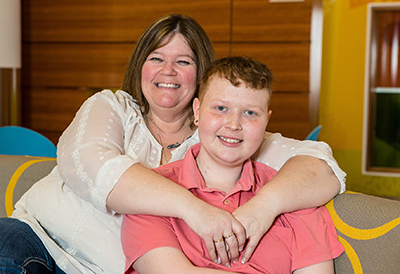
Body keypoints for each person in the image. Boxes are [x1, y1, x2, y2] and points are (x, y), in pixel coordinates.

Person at [0, 14, 345, 274]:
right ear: (140, 66)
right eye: (156, 58)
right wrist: (196, 210)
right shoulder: (114, 107)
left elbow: (320, 165)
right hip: (38, 238)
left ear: (201, 77)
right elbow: (94, 167)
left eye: (183, 61)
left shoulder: (221, 135)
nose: (168, 70)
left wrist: (262, 208)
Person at [121, 56, 345, 274]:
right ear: (197, 111)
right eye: (221, 108)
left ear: (266, 120)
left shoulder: (294, 193)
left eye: (250, 113)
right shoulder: (150, 193)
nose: (233, 124)